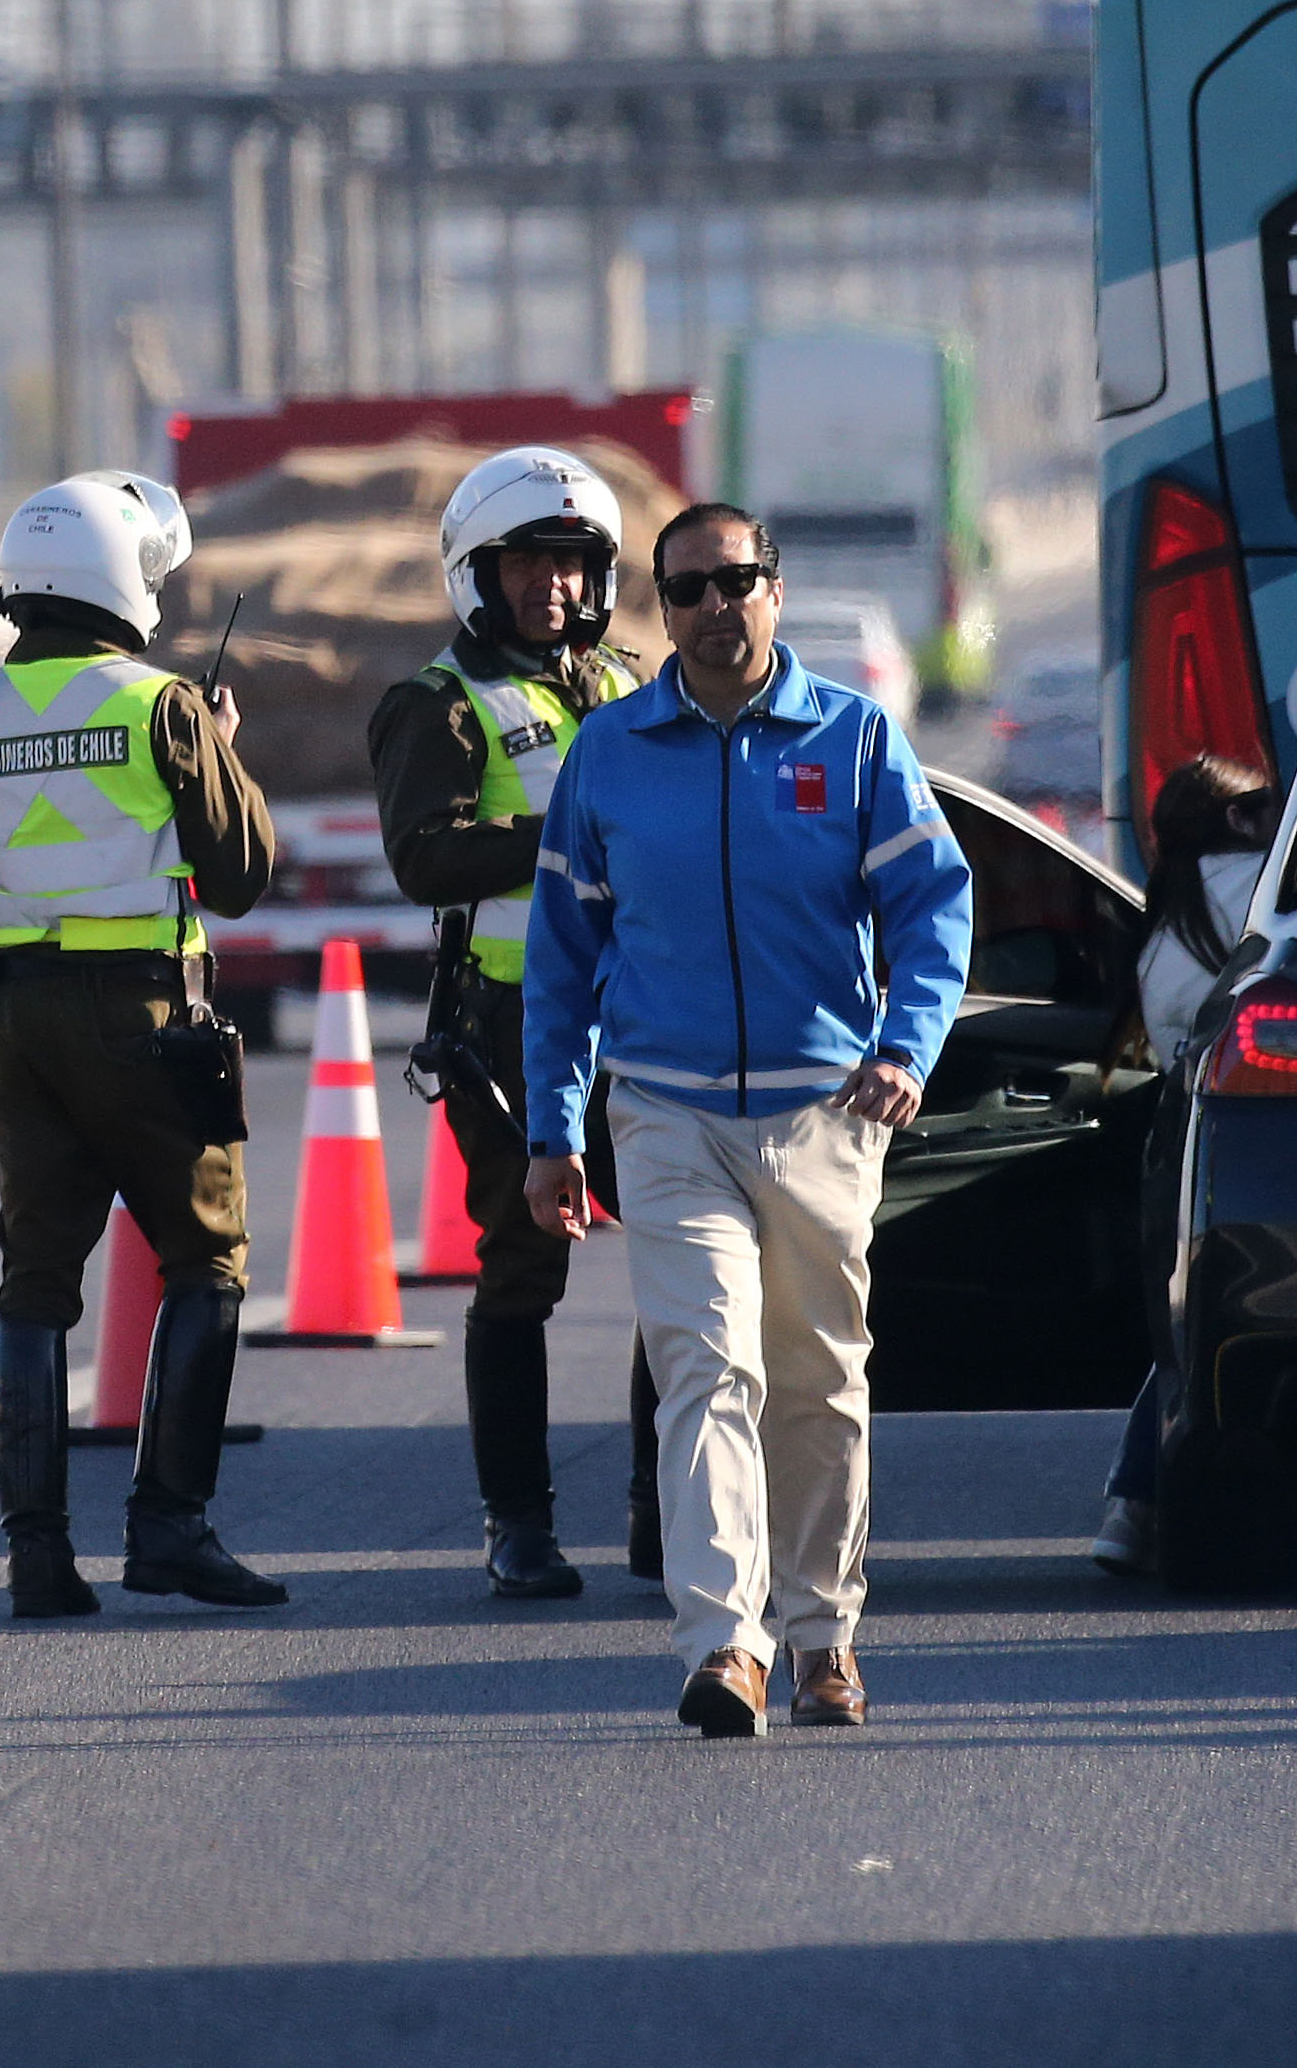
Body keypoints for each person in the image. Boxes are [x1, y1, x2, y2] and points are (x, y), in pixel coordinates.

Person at [524, 501, 974, 1737]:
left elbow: (936, 907)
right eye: (687, 591)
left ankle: (824, 1635)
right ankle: (727, 1644)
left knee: (817, 1381)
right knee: (705, 1367)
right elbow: (561, 957)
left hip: (822, 1111)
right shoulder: (610, 751)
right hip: (664, 1112)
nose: (714, 607)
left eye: (736, 582)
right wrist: (554, 1130)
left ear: (775, 588)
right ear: (656, 610)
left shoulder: (856, 735)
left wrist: (907, 1048)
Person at [0, 470, 289, 1622]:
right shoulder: (161, 707)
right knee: (205, 1264)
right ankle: (168, 1527)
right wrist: (219, 750)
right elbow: (241, 877)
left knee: (34, 1283)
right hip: (149, 1017)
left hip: (18, 1026)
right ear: (124, 580)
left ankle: (36, 1556)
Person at [369, 445, 656, 1602]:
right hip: (510, 1018)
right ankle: (518, 1526)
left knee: (687, 1254)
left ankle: (661, 1506)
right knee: (522, 1268)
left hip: (647, 1011)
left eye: (571, 563)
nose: (552, 584)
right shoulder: (435, 705)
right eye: (528, 563)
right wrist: (569, 840)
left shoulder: (635, 685)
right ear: (476, 575)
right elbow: (421, 853)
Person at [1088, 752, 1279, 1583]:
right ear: (1235, 819)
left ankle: (1133, 1503)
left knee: (1187, 1334)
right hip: (1264, 1136)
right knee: (1217, 1333)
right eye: (1258, 803)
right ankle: (1136, 1496)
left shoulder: (1165, 924)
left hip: (1182, 1142)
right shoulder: (1264, 896)